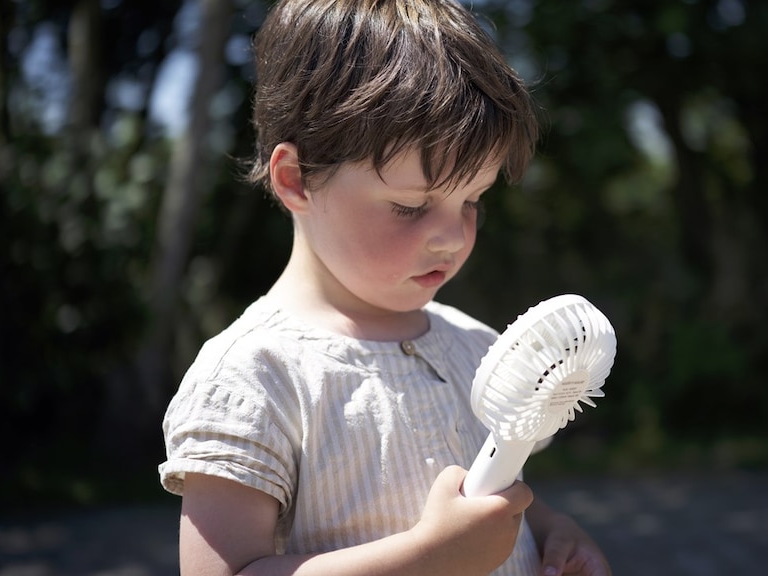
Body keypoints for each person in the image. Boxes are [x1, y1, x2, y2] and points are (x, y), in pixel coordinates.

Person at [159, 1, 611, 575]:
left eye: (472, 200)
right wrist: (428, 558)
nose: (451, 236)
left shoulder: (477, 349)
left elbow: (498, 494)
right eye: (410, 206)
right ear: (297, 180)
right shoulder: (254, 376)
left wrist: (552, 530)